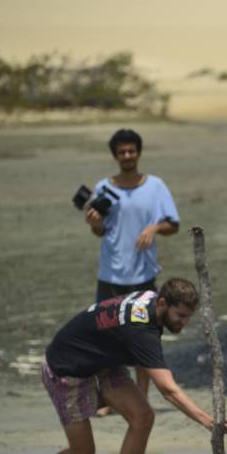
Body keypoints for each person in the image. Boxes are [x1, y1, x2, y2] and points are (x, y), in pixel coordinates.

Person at [30, 278, 226, 454]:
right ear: (163, 302)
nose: (184, 323)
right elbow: (168, 389)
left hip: (104, 362)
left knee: (143, 416)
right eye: (181, 316)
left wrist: (138, 398)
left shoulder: (150, 305)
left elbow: (142, 357)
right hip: (65, 368)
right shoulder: (140, 327)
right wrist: (210, 421)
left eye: (188, 317)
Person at [86, 129, 180, 402]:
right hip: (111, 273)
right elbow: (99, 232)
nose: (127, 156)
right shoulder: (103, 187)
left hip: (143, 275)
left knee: (143, 338)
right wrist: (95, 224)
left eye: (131, 151)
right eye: (122, 152)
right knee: (105, 337)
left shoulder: (156, 186)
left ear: (138, 152)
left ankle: (141, 397)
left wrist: (154, 227)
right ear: (115, 156)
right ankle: (107, 400)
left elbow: (173, 225)